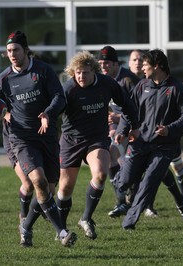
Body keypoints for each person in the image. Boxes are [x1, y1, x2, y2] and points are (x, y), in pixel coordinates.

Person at [0, 30, 77, 248]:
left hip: (47, 137)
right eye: (9, 51)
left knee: (47, 190)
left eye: (16, 50)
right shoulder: (3, 80)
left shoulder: (43, 71)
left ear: (26, 50)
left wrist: (48, 113)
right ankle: (62, 232)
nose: (12, 54)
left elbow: (59, 97)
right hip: (21, 139)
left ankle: (26, 226)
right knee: (36, 181)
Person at [56, 51, 139, 240]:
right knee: (66, 188)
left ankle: (86, 218)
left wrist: (134, 126)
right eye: (77, 73)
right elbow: (54, 110)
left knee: (101, 174)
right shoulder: (68, 89)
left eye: (85, 73)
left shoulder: (107, 84)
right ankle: (60, 228)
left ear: (94, 71)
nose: (81, 77)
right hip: (71, 141)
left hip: (96, 139)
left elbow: (127, 104)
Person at [115, 49, 183, 230]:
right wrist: (122, 130)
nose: (142, 68)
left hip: (164, 148)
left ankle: (129, 223)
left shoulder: (176, 88)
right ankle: (124, 179)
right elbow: (128, 110)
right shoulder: (142, 86)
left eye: (145, 64)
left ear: (157, 66)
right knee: (123, 182)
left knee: (148, 183)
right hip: (139, 143)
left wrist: (170, 130)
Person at [96, 46, 141, 217]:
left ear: (116, 64)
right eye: (100, 64)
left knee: (154, 170)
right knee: (111, 156)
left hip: (137, 127)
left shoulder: (129, 80)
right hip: (119, 127)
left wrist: (119, 117)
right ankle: (122, 200)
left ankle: (136, 201)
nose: (103, 67)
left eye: (107, 63)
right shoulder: (103, 80)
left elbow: (141, 109)